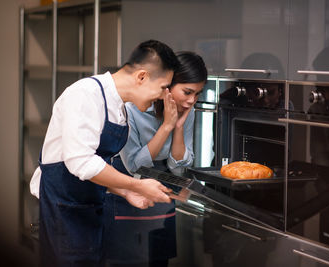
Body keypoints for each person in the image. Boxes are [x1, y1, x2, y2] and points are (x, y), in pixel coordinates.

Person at [29, 40, 180, 267]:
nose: (162, 97)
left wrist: (124, 192)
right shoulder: (85, 95)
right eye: (162, 88)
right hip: (64, 213)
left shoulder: (119, 107)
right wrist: (136, 186)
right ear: (141, 77)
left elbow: (96, 167)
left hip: (90, 212)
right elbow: (81, 163)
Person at [103, 51, 208, 267]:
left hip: (161, 197)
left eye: (197, 94)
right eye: (187, 92)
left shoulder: (187, 108)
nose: (191, 101)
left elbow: (179, 170)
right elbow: (134, 167)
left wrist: (178, 127)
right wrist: (167, 126)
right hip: (126, 192)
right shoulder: (132, 107)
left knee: (158, 261)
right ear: (167, 85)